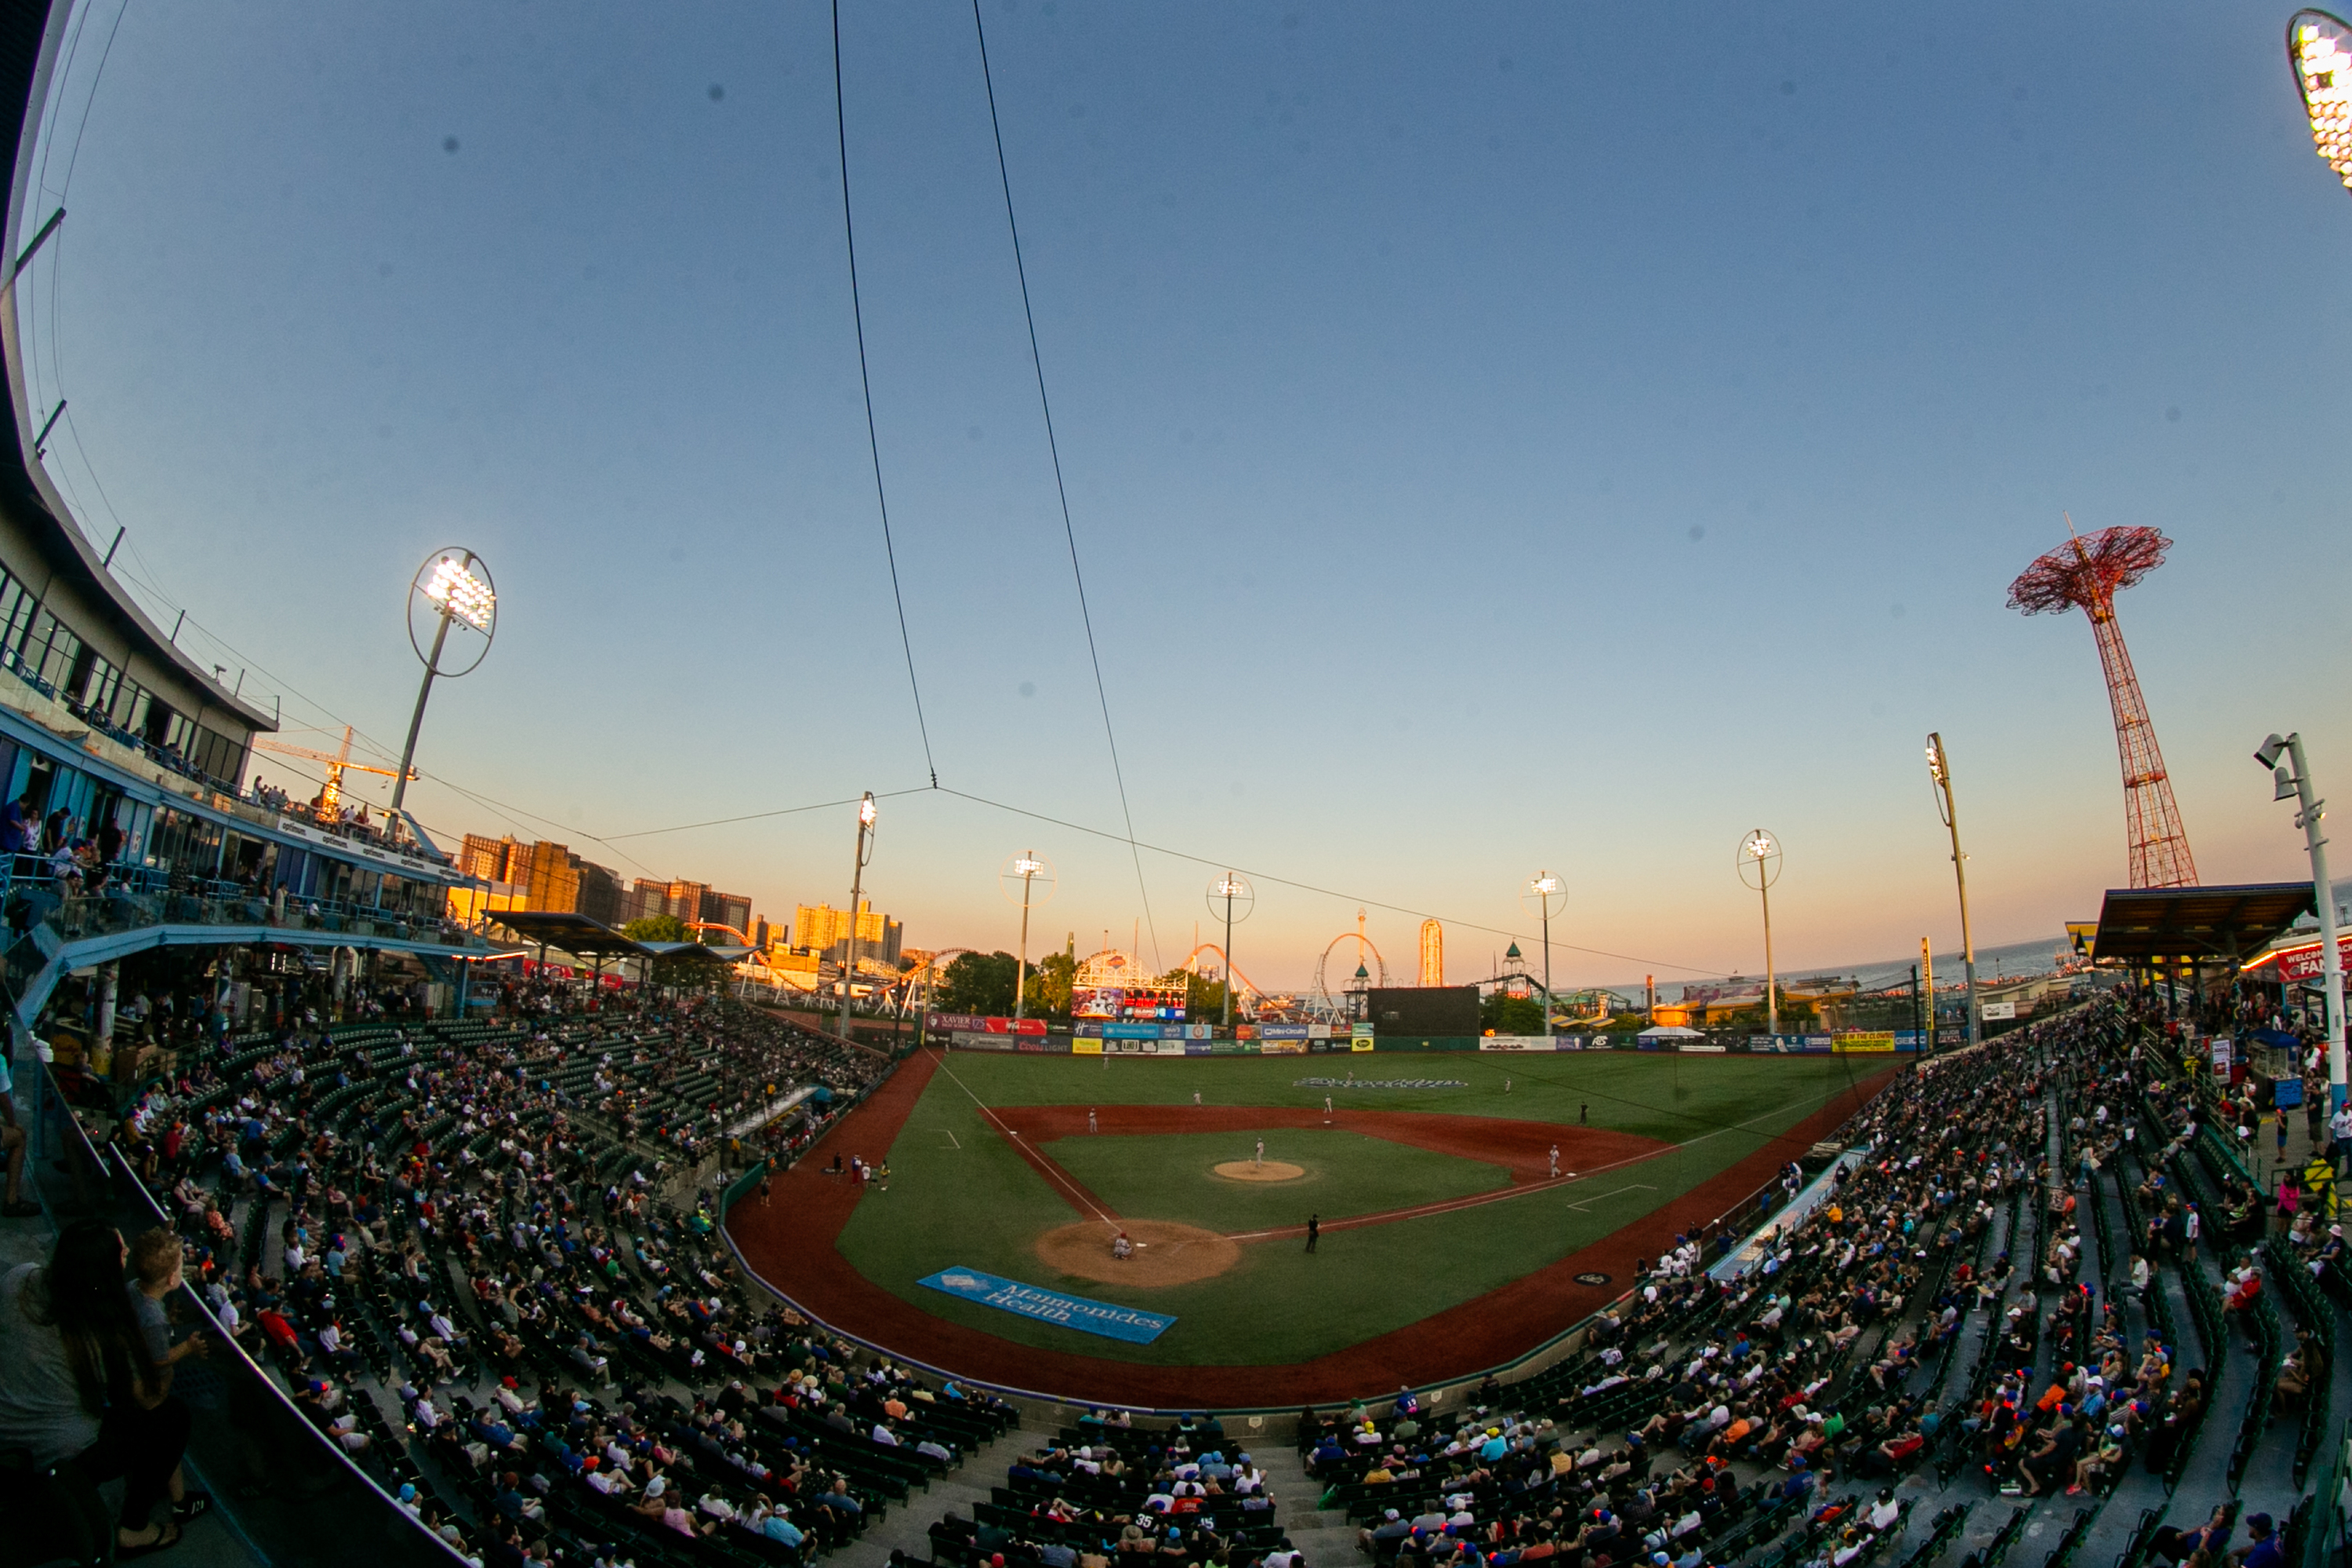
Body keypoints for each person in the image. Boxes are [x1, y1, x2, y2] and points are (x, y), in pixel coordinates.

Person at [0, 1221, 191, 1555]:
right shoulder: (106, 1331)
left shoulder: (21, 1276)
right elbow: (148, 1400)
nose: (129, 1252)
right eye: (121, 1252)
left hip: (6, 1431)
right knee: (172, 1417)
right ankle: (134, 1529)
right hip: (58, 1457)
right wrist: (169, 1360)